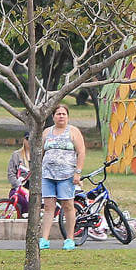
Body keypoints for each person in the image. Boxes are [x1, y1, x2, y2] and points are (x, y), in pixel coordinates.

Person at [39, 104, 86, 251]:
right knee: (48, 207)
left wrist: (77, 172)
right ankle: (44, 239)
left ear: (68, 116)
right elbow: (41, 152)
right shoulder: (47, 132)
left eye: (63, 114)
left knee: (68, 205)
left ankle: (70, 239)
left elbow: (81, 152)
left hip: (66, 175)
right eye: (58, 114)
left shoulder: (73, 132)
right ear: (53, 116)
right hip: (48, 175)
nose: (61, 116)